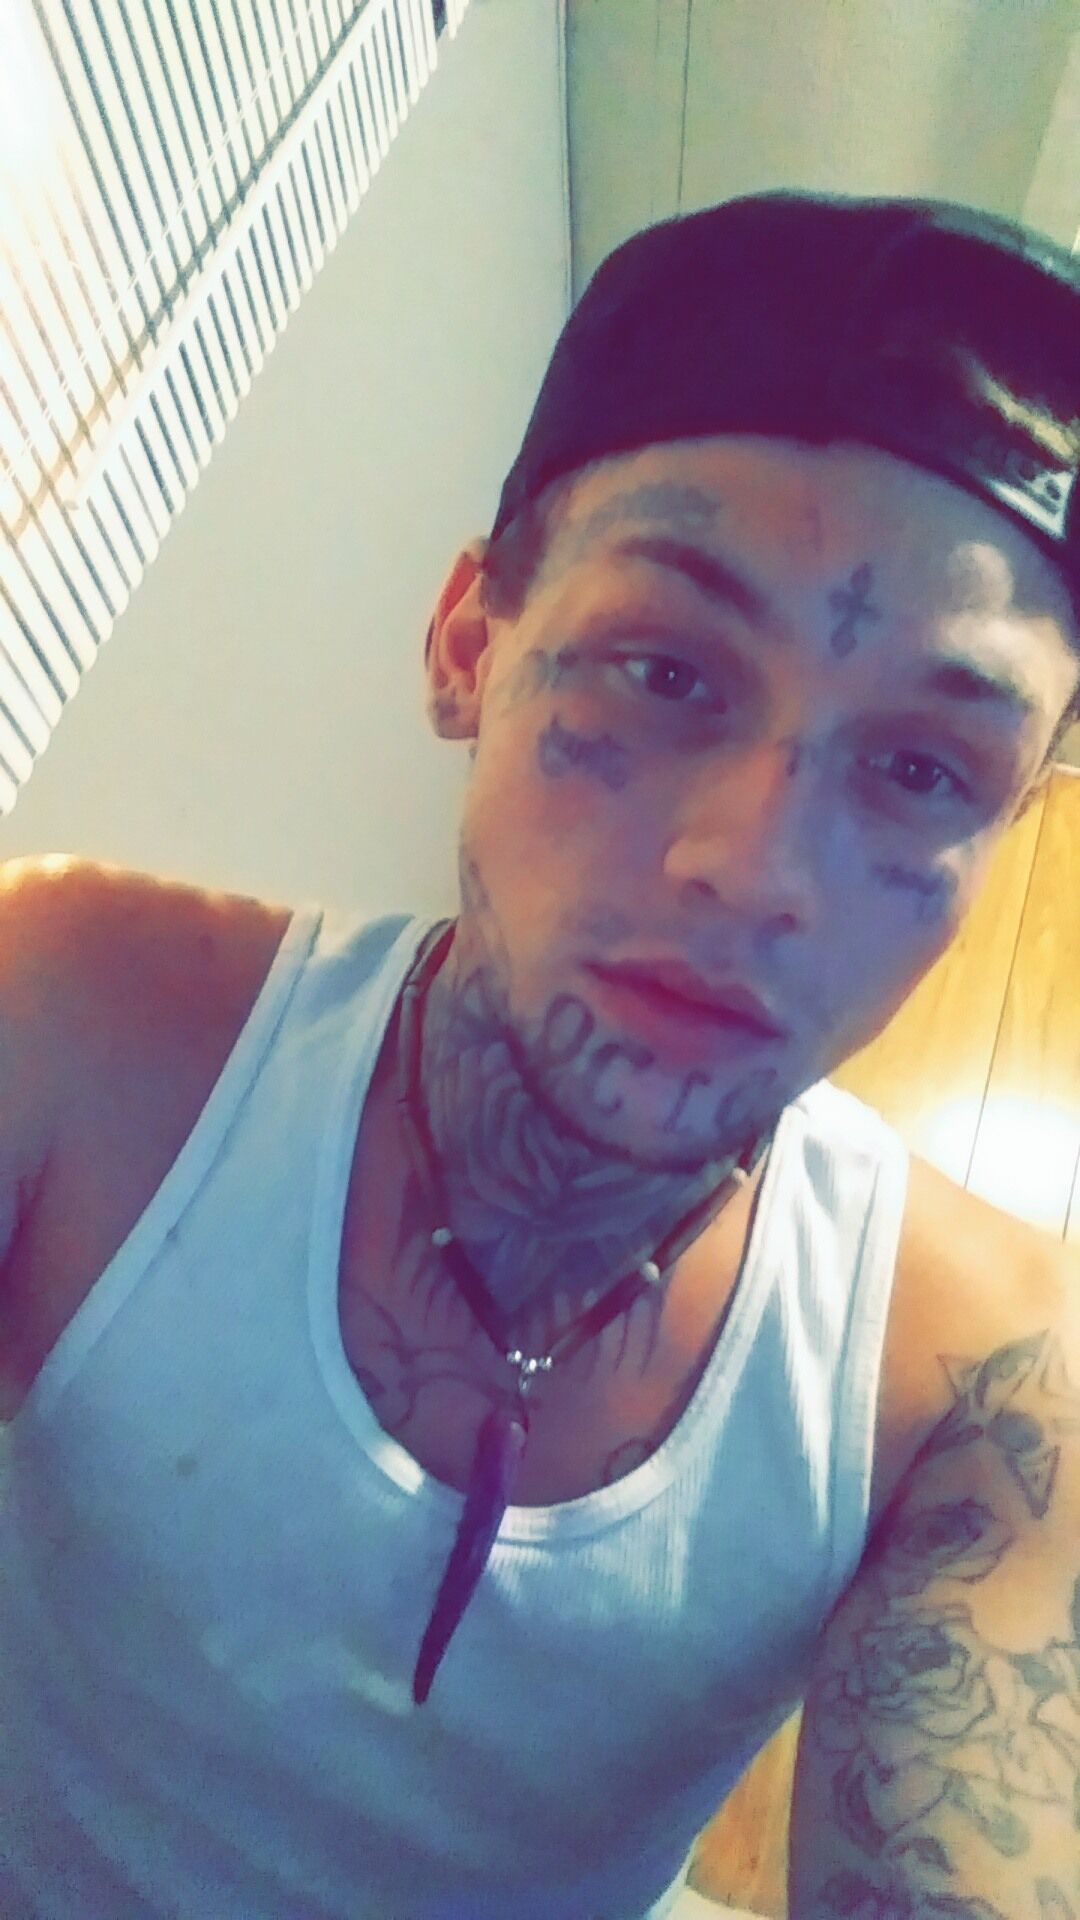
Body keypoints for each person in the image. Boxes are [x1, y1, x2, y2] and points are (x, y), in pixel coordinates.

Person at [0, 189, 1077, 1920]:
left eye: (921, 769)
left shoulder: (990, 1383)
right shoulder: (67, 1020)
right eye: (666, 669)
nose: (756, 869)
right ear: (467, 646)